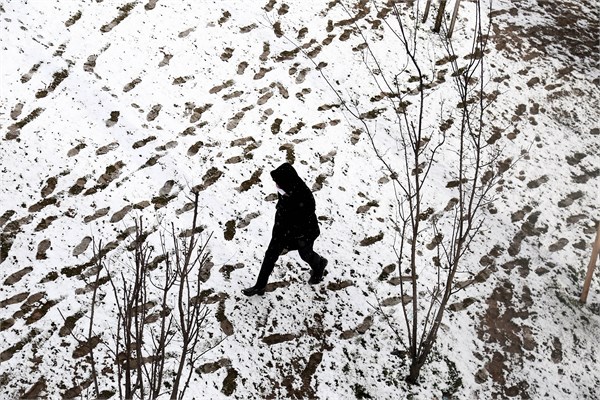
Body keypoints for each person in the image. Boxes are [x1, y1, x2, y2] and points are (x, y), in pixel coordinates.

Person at [242, 162, 328, 296]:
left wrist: (292, 238)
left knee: (305, 254)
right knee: (270, 255)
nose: (277, 188)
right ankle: (260, 286)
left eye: (279, 185)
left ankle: (320, 264)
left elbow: (302, 220)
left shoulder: (305, 198)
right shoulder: (286, 188)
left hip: (302, 234)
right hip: (281, 231)